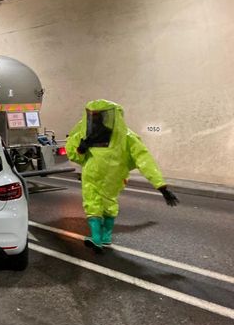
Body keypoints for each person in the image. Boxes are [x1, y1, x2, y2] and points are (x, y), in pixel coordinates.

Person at [65, 99, 179, 253]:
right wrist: (81, 149)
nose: (96, 119)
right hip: (105, 176)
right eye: (94, 115)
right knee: (107, 203)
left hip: (99, 176)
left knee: (95, 203)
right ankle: (103, 238)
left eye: (99, 115)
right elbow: (74, 155)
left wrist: (162, 186)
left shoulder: (125, 137)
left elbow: (144, 160)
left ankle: (99, 238)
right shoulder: (87, 134)